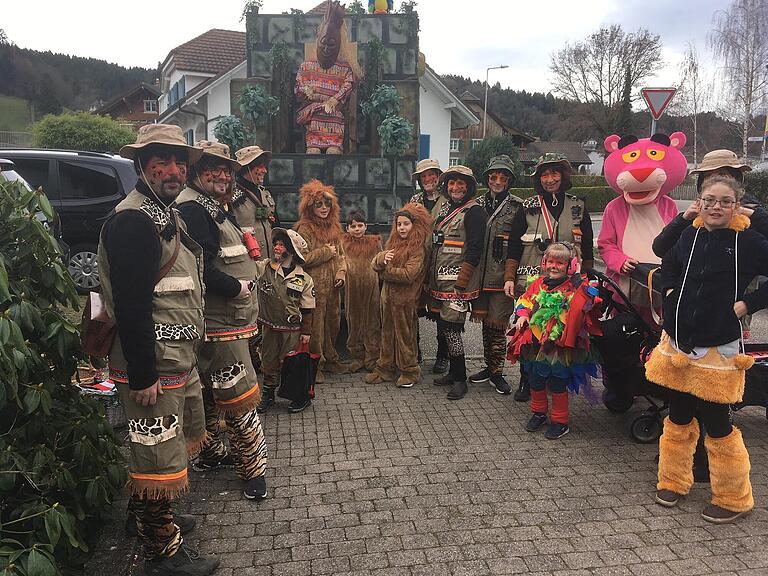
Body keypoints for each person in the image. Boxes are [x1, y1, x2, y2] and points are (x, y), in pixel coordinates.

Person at [98, 124, 219, 574]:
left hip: (175, 360)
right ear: (141, 166)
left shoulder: (164, 213)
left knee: (167, 447)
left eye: (179, 163)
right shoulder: (134, 221)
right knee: (156, 455)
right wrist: (144, 374)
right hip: (153, 366)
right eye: (161, 162)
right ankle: (162, 553)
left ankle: (147, 516)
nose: (173, 171)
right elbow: (130, 305)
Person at [646, 175, 768, 523]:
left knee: (717, 425)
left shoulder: (748, 240)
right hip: (679, 343)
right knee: (678, 416)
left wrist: (749, 303)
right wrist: (670, 292)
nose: (716, 207)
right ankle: (673, 480)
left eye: (725, 201)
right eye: (709, 200)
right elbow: (665, 257)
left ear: (736, 206)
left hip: (718, 346)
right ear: (699, 202)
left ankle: (734, 498)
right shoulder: (690, 233)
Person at [176, 141, 268, 501]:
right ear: (197, 172)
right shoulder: (194, 208)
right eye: (213, 168)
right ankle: (253, 469)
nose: (222, 175)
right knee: (239, 395)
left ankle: (211, 452)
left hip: (227, 322)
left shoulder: (209, 205)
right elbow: (202, 268)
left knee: (212, 393)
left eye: (227, 169)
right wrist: (237, 288)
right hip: (220, 325)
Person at [506, 153, 594, 402]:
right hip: (532, 283)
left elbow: (587, 245)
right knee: (528, 333)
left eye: (554, 173)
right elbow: (514, 244)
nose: (550, 179)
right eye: (544, 175)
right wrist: (509, 277)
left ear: (563, 176)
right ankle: (526, 380)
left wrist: (587, 279)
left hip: (567, 287)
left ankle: (555, 380)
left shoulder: (578, 206)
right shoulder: (527, 206)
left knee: (559, 333)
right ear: (538, 179)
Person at [508, 242, 601, 440]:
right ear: (544, 262)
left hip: (560, 347)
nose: (554, 266)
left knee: (558, 382)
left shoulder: (577, 287)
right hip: (536, 344)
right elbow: (524, 300)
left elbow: (586, 304)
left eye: (560, 263)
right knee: (536, 379)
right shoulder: (538, 283)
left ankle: (560, 421)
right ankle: (538, 413)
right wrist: (522, 315)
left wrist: (578, 278)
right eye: (550, 261)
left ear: (571, 265)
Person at [426, 165, 488, 400]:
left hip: (458, 285)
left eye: (461, 183)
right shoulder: (446, 208)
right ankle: (453, 372)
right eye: (452, 183)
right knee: (444, 327)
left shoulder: (475, 211)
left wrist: (462, 282)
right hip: (440, 281)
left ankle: (461, 379)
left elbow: (475, 248)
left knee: (452, 330)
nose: (455, 187)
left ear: (469, 186)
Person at [468, 155, 523, 395]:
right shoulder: (476, 204)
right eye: (493, 176)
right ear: (487, 178)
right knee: (484, 324)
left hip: (502, 276)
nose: (497, 181)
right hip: (479, 275)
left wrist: (513, 275)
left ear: (509, 180)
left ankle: (497, 372)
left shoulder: (518, 206)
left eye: (503, 177)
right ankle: (488, 367)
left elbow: (519, 245)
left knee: (498, 325)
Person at [366, 203, 431, 388]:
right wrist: (380, 260)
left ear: (414, 225)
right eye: (399, 224)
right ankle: (385, 368)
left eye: (406, 224)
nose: (402, 228)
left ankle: (410, 371)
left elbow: (409, 275)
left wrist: (385, 272)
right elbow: (375, 263)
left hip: (405, 301)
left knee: (405, 336)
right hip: (388, 300)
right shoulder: (393, 243)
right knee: (387, 334)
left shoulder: (418, 248)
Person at [255, 228, 316, 413]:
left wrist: (306, 332)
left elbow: (307, 308)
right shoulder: (265, 268)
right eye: (276, 244)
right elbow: (249, 267)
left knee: (292, 364)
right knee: (268, 361)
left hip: (292, 331)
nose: (277, 247)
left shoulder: (303, 279)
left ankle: (300, 397)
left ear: (292, 250)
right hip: (270, 327)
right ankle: (268, 394)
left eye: (282, 245)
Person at [294, 179, 349, 382]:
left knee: (333, 323)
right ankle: (315, 365)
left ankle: (331, 359)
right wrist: (325, 252)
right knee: (315, 327)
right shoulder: (304, 228)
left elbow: (341, 255)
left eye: (327, 204)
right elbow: (302, 258)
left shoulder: (334, 226)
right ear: (310, 207)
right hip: (314, 287)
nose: (324, 208)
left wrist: (341, 274)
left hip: (333, 287)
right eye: (319, 204)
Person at [409, 159, 449, 373]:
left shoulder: (449, 199)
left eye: (431, 174)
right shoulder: (414, 201)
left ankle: (443, 355)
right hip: (418, 260)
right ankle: (414, 351)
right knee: (413, 307)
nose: (428, 179)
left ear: (439, 176)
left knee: (442, 310)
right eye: (423, 176)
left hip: (443, 260)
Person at [341, 209, 382, 372]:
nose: (357, 229)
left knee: (372, 322)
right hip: (352, 289)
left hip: (371, 288)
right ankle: (357, 357)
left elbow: (380, 262)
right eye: (353, 226)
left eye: (360, 225)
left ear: (366, 226)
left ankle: (372, 357)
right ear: (347, 228)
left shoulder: (374, 243)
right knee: (354, 322)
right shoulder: (343, 244)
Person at [232, 145, 280, 259]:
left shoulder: (266, 194)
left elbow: (276, 226)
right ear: (247, 168)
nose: (265, 171)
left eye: (265, 166)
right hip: (247, 260)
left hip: (270, 260)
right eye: (260, 167)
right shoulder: (231, 197)